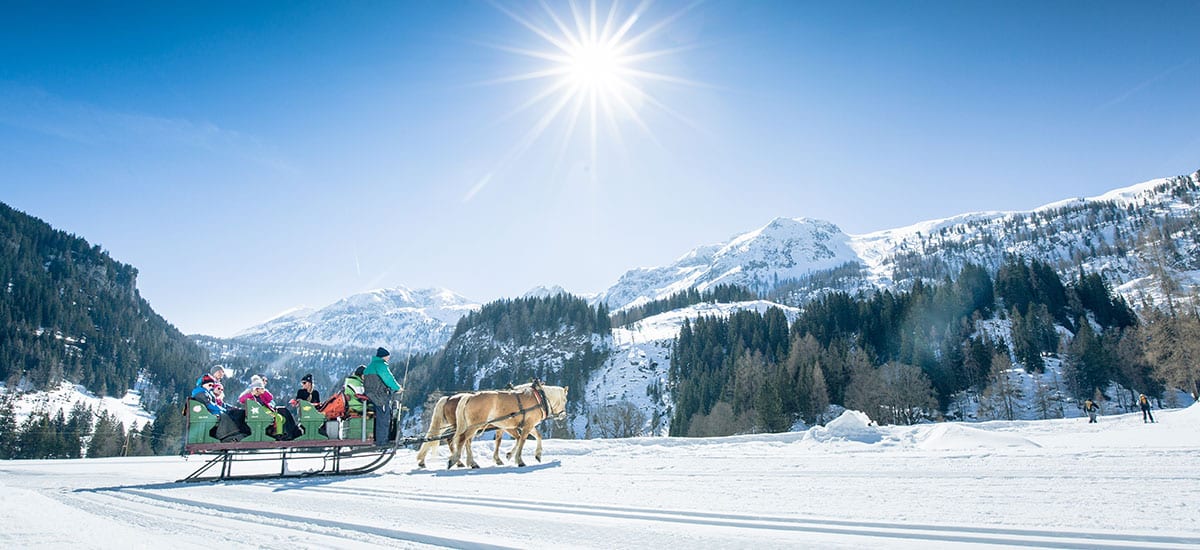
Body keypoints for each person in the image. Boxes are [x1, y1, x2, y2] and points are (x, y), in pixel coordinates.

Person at [363, 347, 402, 446]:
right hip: (379, 396)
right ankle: (382, 441)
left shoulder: (371, 366)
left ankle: (378, 439)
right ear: (384, 356)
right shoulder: (381, 365)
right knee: (384, 418)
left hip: (370, 395)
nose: (388, 359)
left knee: (378, 417)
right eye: (388, 357)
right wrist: (398, 388)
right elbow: (388, 379)